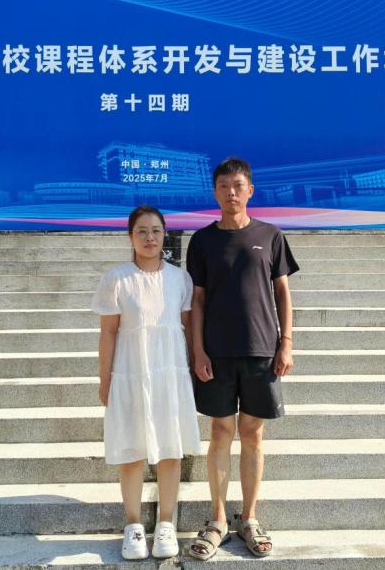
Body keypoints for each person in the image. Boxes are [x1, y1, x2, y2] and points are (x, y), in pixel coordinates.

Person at [185, 157, 299, 560]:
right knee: (220, 432)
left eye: (237, 186)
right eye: (223, 186)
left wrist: (286, 343)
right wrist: (197, 350)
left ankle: (249, 517)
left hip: (261, 349)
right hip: (216, 352)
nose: (231, 193)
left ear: (250, 190)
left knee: (252, 433)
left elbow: (282, 293)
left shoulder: (270, 235)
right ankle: (217, 519)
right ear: (214, 192)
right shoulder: (202, 241)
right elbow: (197, 300)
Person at [92, 205, 202, 560]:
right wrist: (105, 379)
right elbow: (109, 334)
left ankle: (166, 523)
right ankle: (133, 525)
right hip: (130, 373)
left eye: (155, 231)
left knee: (170, 448)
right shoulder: (117, 278)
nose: (149, 237)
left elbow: (187, 327)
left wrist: (192, 368)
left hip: (170, 373)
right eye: (141, 231)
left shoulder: (179, 279)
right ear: (130, 237)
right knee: (131, 449)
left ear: (164, 235)